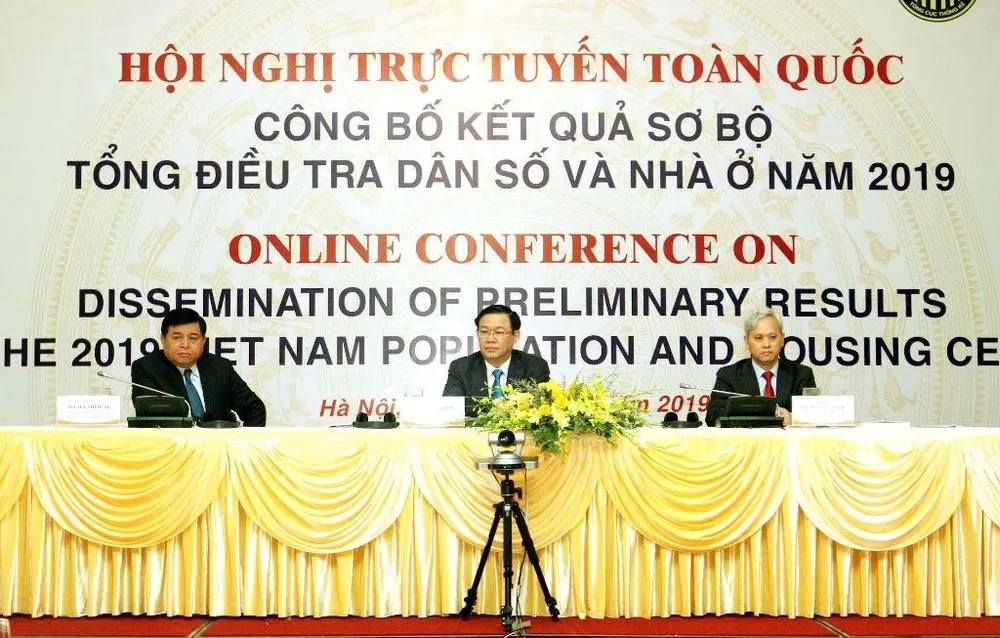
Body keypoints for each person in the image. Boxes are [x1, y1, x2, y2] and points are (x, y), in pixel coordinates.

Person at [131, 308, 267, 426]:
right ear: (163, 339)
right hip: (173, 445)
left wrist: (243, 443)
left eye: (193, 338)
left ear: (203, 341)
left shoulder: (220, 367)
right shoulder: (147, 368)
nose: (185, 345)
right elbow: (150, 418)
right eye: (177, 337)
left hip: (218, 445)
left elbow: (255, 408)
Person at [705, 308, 816, 426]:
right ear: (746, 341)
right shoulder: (729, 375)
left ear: (782, 339)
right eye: (759, 338)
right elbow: (713, 415)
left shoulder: (802, 374)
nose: (766, 344)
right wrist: (756, 419)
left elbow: (816, 415)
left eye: (772, 337)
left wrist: (794, 419)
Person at [443, 304, 550, 412]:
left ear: (515, 336)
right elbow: (451, 413)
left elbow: (540, 413)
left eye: (499, 332)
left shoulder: (534, 368)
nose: (490, 339)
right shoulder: (461, 368)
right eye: (484, 332)